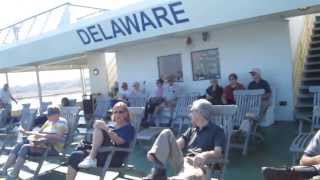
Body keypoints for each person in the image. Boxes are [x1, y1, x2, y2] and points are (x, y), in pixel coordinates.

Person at [142, 99, 225, 180]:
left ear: (200, 113)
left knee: (192, 176)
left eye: (192, 111)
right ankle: (158, 171)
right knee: (166, 133)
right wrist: (160, 149)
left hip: (200, 165)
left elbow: (218, 152)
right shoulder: (191, 130)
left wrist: (204, 155)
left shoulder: (217, 131)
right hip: (184, 162)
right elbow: (177, 144)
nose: (189, 114)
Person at [66, 102, 135, 180]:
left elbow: (119, 141)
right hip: (100, 153)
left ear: (126, 114)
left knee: (100, 128)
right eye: (115, 112)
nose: (118, 114)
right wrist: (99, 126)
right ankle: (91, 158)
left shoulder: (128, 128)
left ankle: (91, 158)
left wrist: (105, 128)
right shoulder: (111, 125)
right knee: (75, 155)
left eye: (120, 112)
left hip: (113, 157)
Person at [0, 106, 67, 179]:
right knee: (20, 144)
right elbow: (38, 133)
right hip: (41, 145)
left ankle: (14, 174)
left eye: (49, 115)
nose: (47, 116)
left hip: (52, 148)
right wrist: (26, 132)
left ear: (56, 115)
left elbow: (58, 137)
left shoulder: (62, 122)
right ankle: (4, 169)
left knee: (25, 148)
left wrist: (40, 136)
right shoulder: (48, 122)